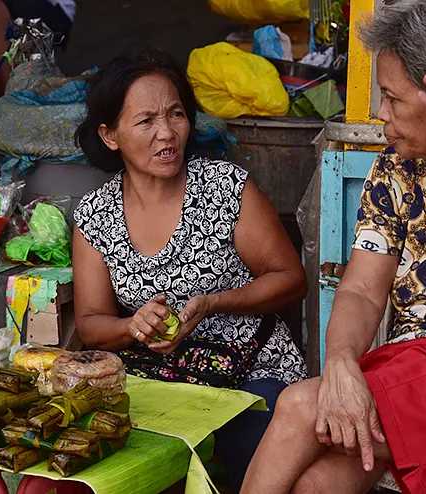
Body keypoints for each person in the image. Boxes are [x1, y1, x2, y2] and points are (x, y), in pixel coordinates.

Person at [242, 1, 426, 493]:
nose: (383, 115)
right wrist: (340, 362)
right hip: (423, 375)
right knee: (319, 483)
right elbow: (361, 291)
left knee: (299, 406)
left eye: (394, 99)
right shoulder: (398, 169)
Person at [72, 49, 308, 490]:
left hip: (252, 373)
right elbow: (90, 323)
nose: (167, 133)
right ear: (110, 135)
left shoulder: (225, 186)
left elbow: (291, 279)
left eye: (176, 114)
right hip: (158, 379)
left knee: (257, 468)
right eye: (146, 121)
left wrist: (217, 302)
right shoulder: (94, 216)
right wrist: (132, 326)